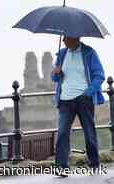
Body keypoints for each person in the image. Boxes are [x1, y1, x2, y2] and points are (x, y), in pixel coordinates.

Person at [51, 36, 105, 175]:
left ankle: (94, 164)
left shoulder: (89, 53)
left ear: (75, 38)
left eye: (66, 38)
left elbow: (99, 75)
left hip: (83, 99)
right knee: (62, 133)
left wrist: (89, 92)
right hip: (65, 100)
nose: (63, 41)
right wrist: (56, 73)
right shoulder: (62, 54)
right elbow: (55, 78)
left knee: (89, 132)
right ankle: (61, 167)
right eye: (62, 39)